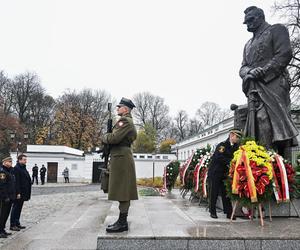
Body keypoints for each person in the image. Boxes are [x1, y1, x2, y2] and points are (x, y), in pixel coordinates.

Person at [240, 6, 299, 157]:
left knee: (273, 122)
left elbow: (284, 54)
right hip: (255, 88)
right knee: (257, 124)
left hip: (274, 84)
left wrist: (263, 71)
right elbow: (243, 68)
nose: (248, 24)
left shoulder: (276, 30)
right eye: (246, 22)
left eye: (251, 20)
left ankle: (280, 166)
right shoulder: (247, 44)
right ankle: (263, 163)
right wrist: (249, 72)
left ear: (261, 17)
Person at [101, 97, 138, 233]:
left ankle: (122, 223)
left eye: (119, 107)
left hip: (122, 158)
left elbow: (114, 138)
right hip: (120, 157)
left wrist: (104, 137)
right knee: (121, 190)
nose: (117, 109)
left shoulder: (125, 121)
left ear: (126, 109)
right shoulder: (124, 121)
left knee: (123, 191)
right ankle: (121, 221)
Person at [208, 129, 242, 219]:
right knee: (214, 192)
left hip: (226, 173)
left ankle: (228, 212)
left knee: (226, 193)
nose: (238, 139)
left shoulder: (236, 147)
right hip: (216, 171)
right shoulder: (222, 145)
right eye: (237, 136)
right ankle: (212, 211)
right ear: (231, 135)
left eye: (239, 137)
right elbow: (219, 157)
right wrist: (231, 162)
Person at [10, 154, 32, 231]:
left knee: (19, 208)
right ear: (19, 160)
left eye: (26, 159)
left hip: (23, 192)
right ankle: (12, 224)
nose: (26, 161)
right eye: (24, 159)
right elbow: (17, 182)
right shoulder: (16, 169)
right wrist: (18, 193)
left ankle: (17, 223)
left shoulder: (23, 168)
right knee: (15, 208)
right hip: (19, 193)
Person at [0, 156, 16, 237]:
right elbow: (2, 186)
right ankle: (0, 231)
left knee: (6, 214)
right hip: (5, 198)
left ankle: (2, 229)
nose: (11, 163)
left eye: (11, 162)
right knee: (2, 214)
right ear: (4, 162)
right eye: (9, 162)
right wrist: (5, 197)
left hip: (10, 197)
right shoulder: (2, 172)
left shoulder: (9, 171)